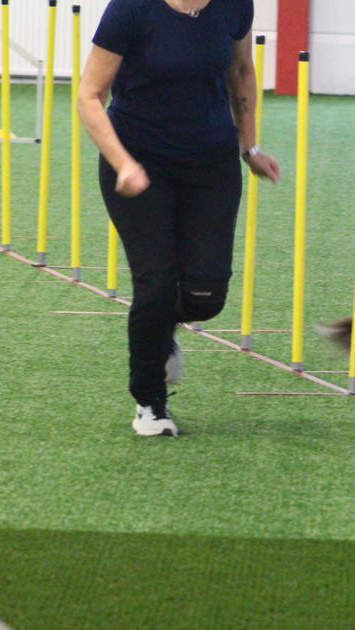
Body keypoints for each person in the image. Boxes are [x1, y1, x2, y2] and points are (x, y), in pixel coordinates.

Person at [78, 0, 279, 437]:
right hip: (138, 163)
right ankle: (149, 402)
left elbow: (241, 71)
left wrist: (250, 147)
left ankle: (161, 328)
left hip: (211, 163)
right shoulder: (131, 10)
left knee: (207, 296)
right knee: (155, 285)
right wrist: (123, 164)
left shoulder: (234, 6)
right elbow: (89, 96)